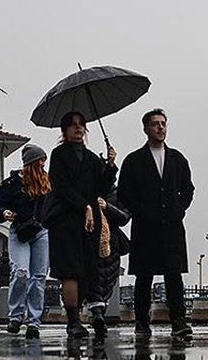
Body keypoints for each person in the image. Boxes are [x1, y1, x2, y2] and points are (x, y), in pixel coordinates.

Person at [117, 108, 196, 341]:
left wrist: (179, 208)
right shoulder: (133, 160)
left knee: (174, 275)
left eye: (163, 123)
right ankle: (141, 321)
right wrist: (140, 211)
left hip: (172, 225)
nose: (160, 127)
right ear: (145, 128)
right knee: (144, 275)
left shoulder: (177, 159)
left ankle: (179, 321)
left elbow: (188, 189)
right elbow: (124, 192)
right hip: (145, 226)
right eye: (155, 124)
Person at [42, 112, 118, 340]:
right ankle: (73, 321)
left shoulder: (93, 158)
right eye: (72, 125)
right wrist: (84, 205)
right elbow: (61, 186)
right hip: (65, 219)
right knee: (70, 272)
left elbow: (102, 188)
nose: (78, 129)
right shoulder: (59, 155)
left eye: (81, 125)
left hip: (89, 222)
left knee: (90, 268)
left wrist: (111, 165)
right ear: (64, 130)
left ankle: (96, 313)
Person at [0, 144, 52, 339]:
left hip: (42, 232)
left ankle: (34, 321)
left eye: (44, 160)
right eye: (39, 161)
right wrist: (4, 213)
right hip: (19, 231)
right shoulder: (10, 184)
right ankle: (16, 316)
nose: (43, 164)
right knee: (20, 272)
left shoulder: (48, 182)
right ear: (30, 163)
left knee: (39, 276)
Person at [83, 182, 131, 341]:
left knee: (108, 280)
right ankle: (97, 312)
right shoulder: (85, 191)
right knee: (93, 279)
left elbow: (125, 217)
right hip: (90, 241)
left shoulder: (119, 194)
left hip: (112, 243)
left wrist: (107, 207)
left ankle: (99, 312)